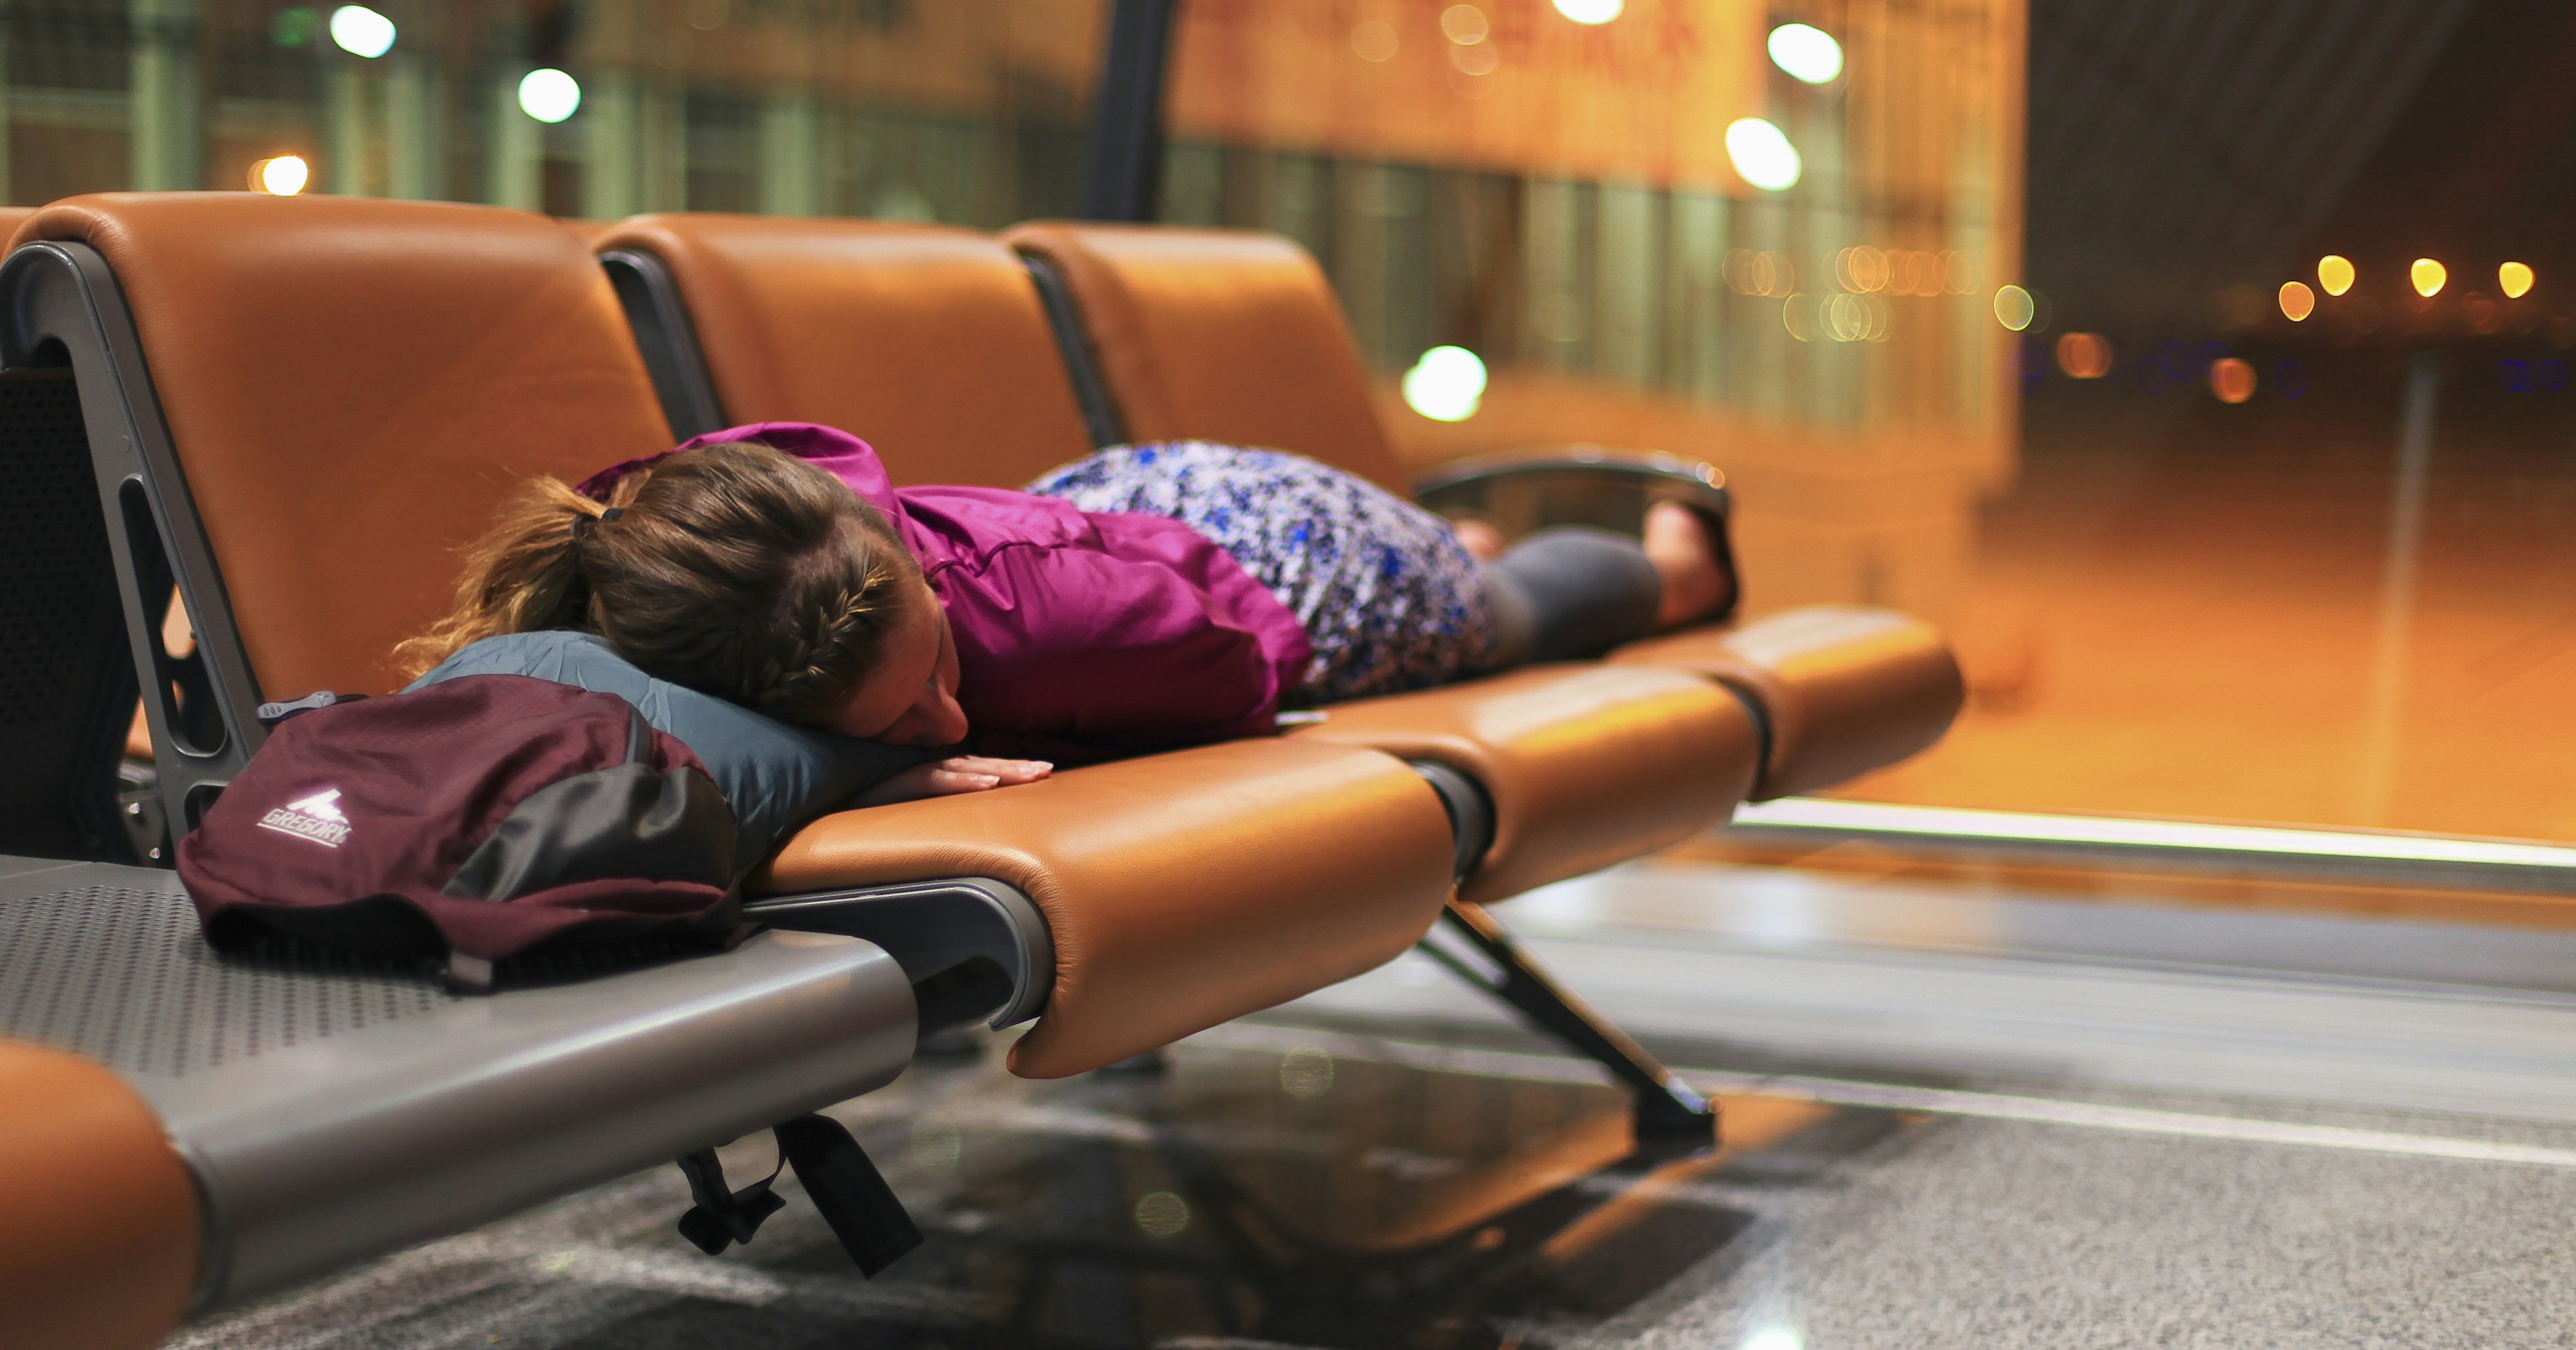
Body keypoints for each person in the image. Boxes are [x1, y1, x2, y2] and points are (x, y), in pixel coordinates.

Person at [399, 424, 1735, 805]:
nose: (951, 719)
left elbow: (1238, 680)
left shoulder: (1060, 636)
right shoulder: (727, 543)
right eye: (901, 722)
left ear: (914, 582)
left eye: (933, 675)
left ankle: (1676, 561)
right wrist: (881, 755)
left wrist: (893, 752)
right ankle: (1440, 526)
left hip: (1276, 574)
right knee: (1456, 559)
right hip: (1126, 500)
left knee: (1494, 607)